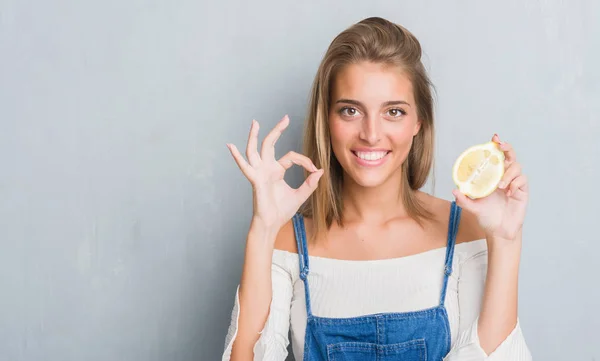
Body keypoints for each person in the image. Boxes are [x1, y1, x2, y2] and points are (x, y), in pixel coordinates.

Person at [222, 16, 532, 361]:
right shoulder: (286, 242)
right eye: (351, 110)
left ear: (419, 122)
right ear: (327, 119)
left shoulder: (463, 232)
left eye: (394, 112)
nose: (371, 134)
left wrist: (506, 240)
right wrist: (263, 229)